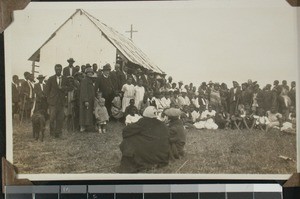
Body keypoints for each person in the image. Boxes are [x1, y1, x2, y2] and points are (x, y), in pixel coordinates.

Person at [118, 106, 170, 173]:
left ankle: (133, 162)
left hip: (150, 154)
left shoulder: (143, 121)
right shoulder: (162, 124)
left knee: (129, 140)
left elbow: (126, 131)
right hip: (162, 156)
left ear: (145, 114)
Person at [44, 64, 67, 137]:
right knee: (52, 118)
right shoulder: (51, 79)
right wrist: (49, 99)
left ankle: (58, 133)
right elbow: (46, 90)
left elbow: (70, 87)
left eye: (59, 69)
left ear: (61, 70)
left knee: (60, 118)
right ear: (54, 70)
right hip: (53, 102)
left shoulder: (65, 78)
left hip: (61, 101)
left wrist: (62, 88)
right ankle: (52, 133)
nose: (58, 71)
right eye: (57, 69)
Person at [79, 68, 95, 132]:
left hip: (90, 100)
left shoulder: (90, 81)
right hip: (86, 100)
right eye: (88, 72)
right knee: (84, 113)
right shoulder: (84, 80)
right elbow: (84, 91)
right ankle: (82, 127)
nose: (90, 74)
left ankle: (87, 126)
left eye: (91, 73)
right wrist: (86, 100)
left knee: (88, 113)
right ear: (86, 73)